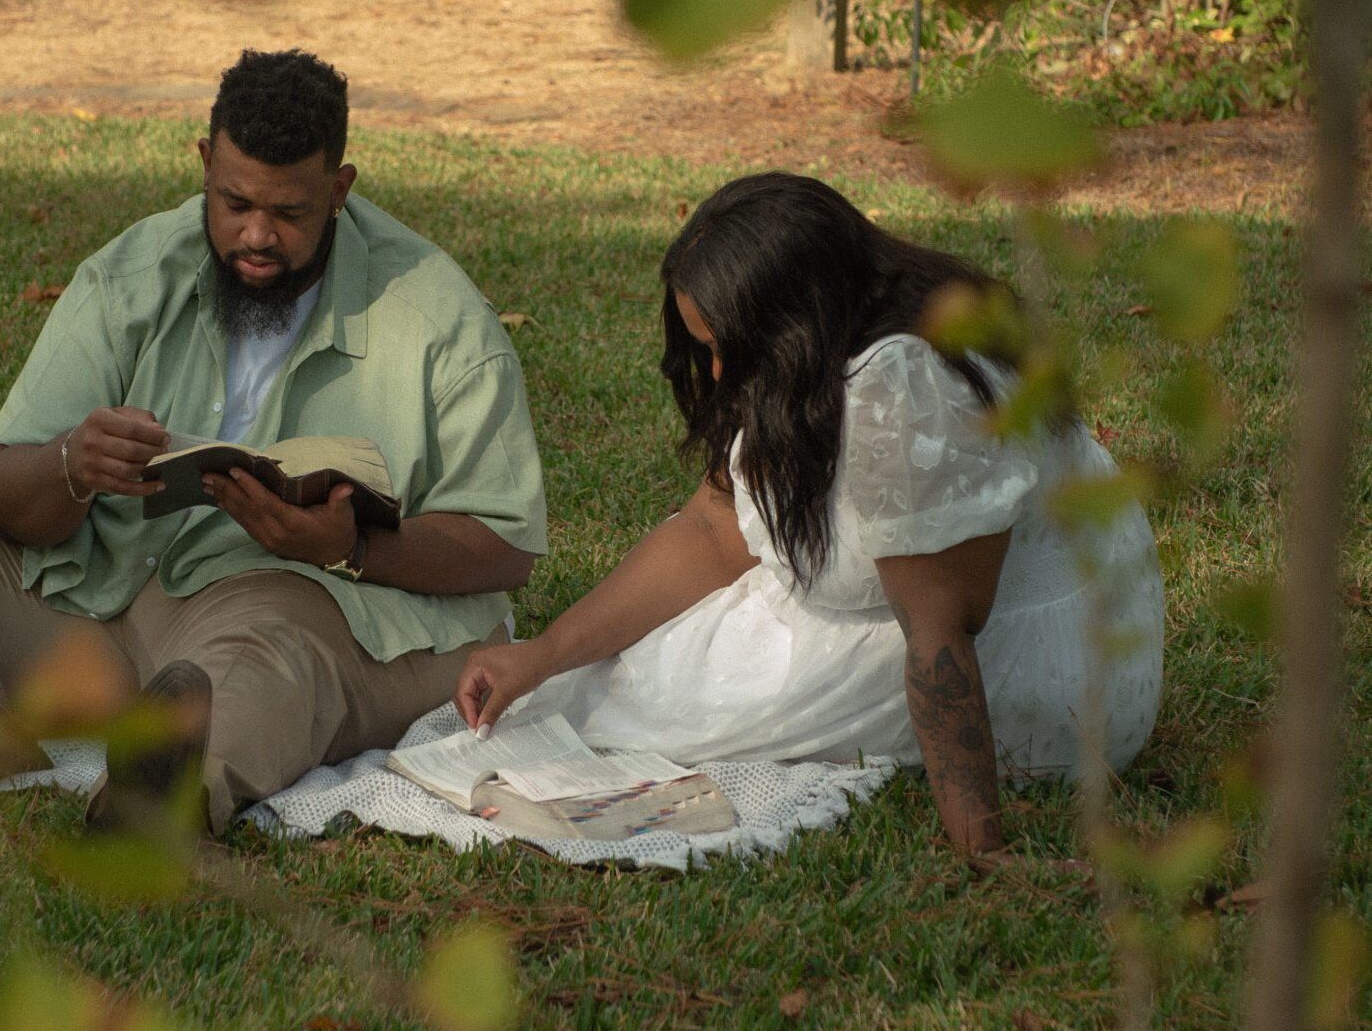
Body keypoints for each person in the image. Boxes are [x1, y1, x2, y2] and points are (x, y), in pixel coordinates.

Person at [0, 49, 549, 830]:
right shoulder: (131, 274)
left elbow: (502, 546)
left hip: (294, 601)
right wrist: (69, 465)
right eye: (232, 203)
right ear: (202, 165)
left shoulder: (438, 317)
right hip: (100, 587)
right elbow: (11, 504)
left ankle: (162, 795)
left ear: (339, 189)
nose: (256, 235)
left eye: (289, 214)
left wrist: (348, 547)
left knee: (268, 664)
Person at [454, 173, 1163, 859]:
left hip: (1020, 671)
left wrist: (981, 845)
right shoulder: (829, 348)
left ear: (798, 320)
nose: (721, 374)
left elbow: (941, 632)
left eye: (725, 347)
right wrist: (541, 656)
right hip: (891, 619)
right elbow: (711, 531)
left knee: (624, 722)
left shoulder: (904, 385)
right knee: (580, 688)